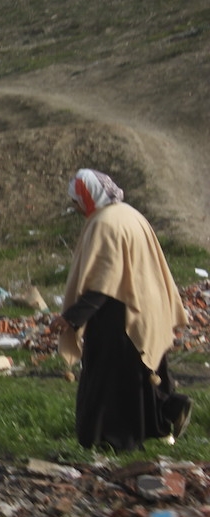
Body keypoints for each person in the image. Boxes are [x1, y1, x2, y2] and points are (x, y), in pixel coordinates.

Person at [50, 169, 192, 451]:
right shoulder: (130, 214)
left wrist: (73, 318)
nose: (76, 207)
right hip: (148, 306)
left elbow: (104, 281)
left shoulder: (104, 223)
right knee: (143, 371)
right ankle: (169, 410)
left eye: (77, 201)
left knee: (110, 381)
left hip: (120, 313)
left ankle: (114, 441)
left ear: (90, 197)